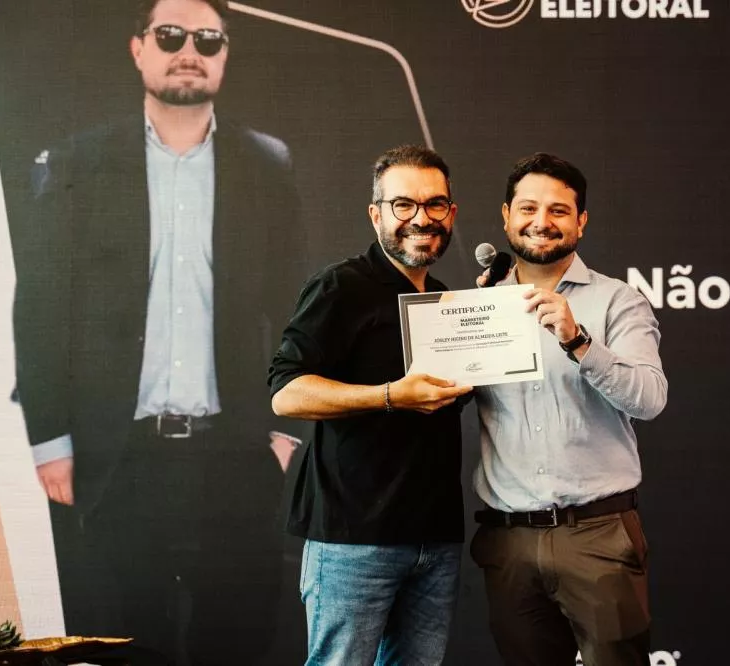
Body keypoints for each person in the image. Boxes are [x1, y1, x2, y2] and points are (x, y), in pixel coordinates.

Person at [11, 0, 303, 663]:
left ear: (225, 55)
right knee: (124, 644)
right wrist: (50, 438)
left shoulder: (265, 163)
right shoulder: (80, 161)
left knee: (236, 643)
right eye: (170, 36)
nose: (189, 51)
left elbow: (296, 306)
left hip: (235, 456)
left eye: (207, 39)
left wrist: (286, 433)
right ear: (139, 48)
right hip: (117, 457)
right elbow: (43, 307)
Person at [269, 145, 472, 666]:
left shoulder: (446, 301)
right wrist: (391, 395)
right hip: (354, 539)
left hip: (435, 539)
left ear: (451, 213)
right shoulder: (341, 286)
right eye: (403, 204)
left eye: (435, 204)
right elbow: (287, 393)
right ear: (376, 214)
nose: (421, 218)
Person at [470, 153, 668, 666]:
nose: (541, 221)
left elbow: (649, 399)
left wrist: (579, 340)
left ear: (581, 221)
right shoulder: (477, 307)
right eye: (528, 208)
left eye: (558, 210)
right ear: (506, 216)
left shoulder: (618, 301)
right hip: (509, 541)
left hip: (597, 535)